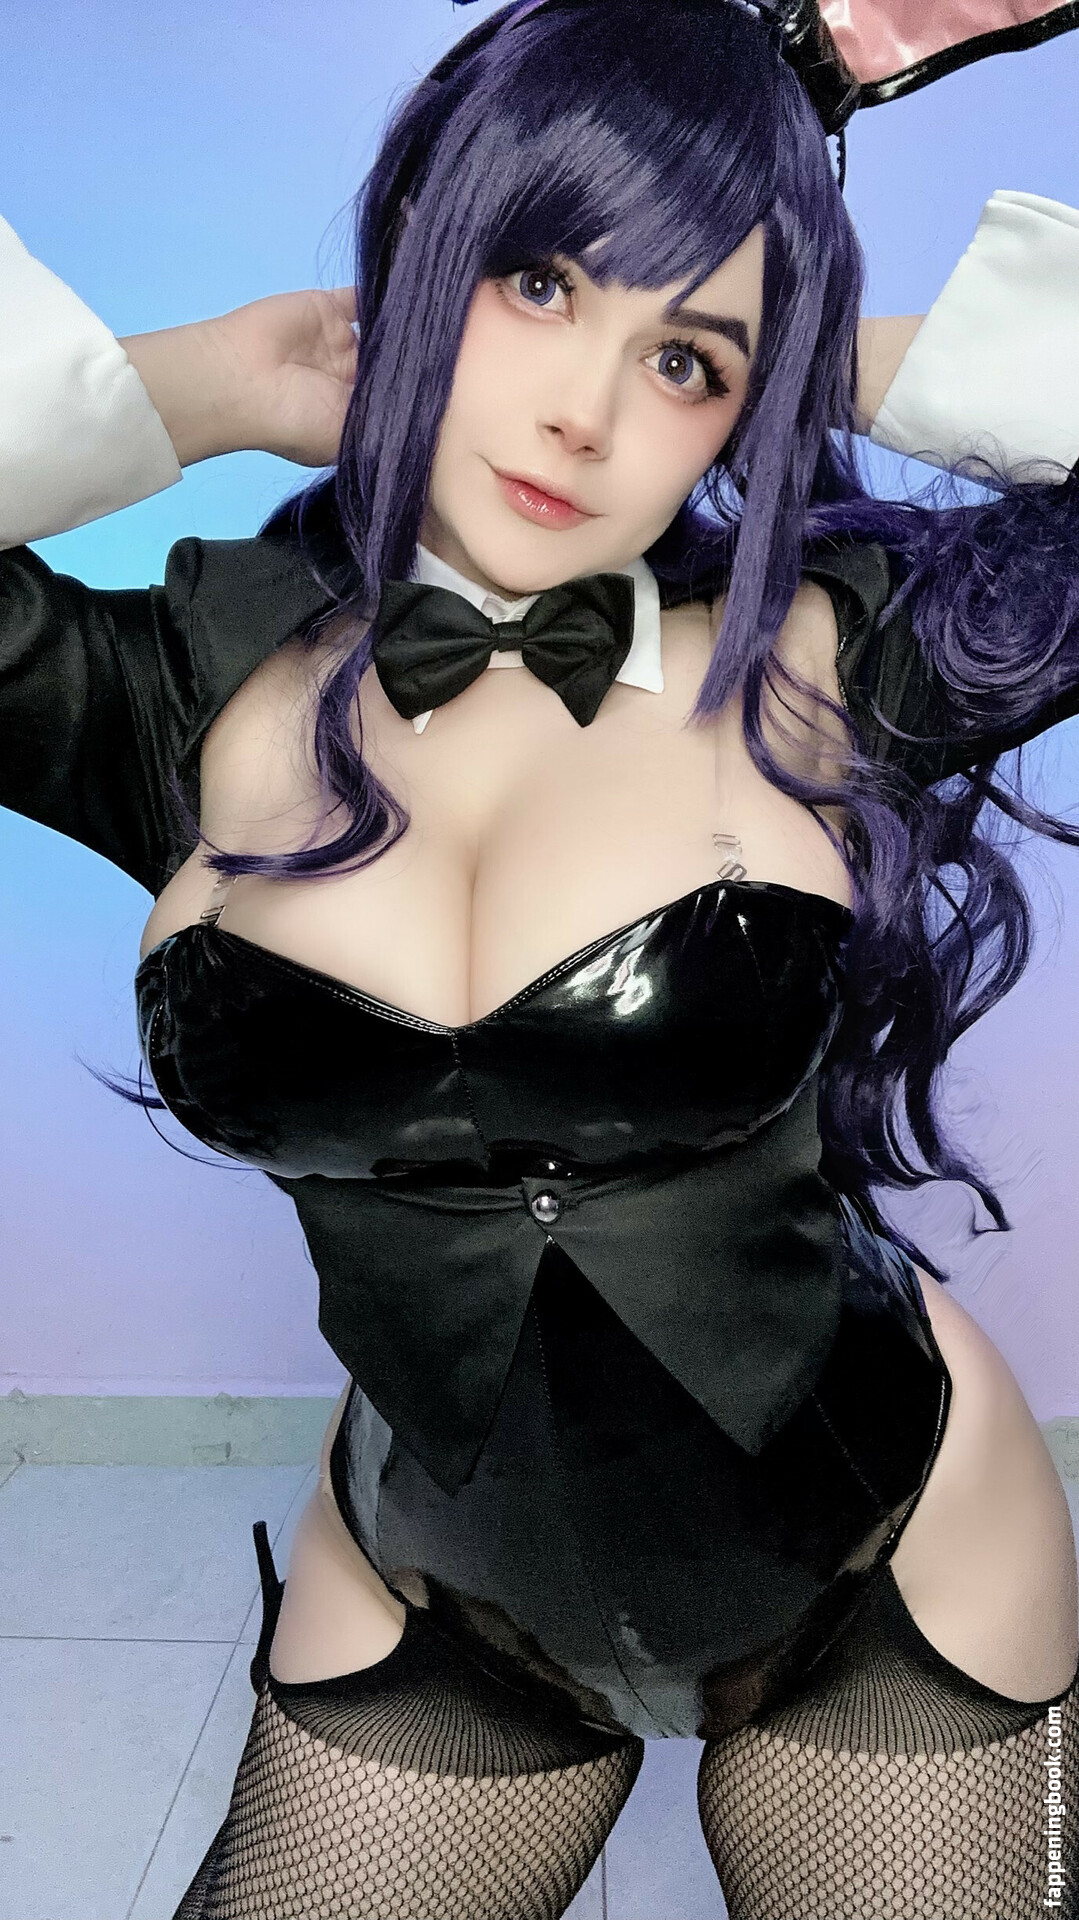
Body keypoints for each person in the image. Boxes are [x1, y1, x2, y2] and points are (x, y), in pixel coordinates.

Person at [2, 4, 1078, 1914]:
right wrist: (205, 383)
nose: (586, 410)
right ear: (423, 247)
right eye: (538, 281)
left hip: (892, 1569)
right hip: (434, 1593)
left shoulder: (832, 662)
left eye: (684, 358)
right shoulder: (183, 688)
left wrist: (823, 348)